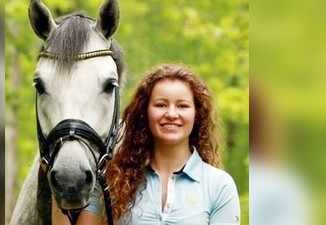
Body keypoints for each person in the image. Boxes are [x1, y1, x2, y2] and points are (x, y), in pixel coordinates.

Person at [56, 64, 240, 225]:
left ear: (197, 114)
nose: (171, 114)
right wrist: (58, 170)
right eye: (160, 105)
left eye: (182, 106)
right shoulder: (111, 180)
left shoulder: (219, 186)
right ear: (144, 112)